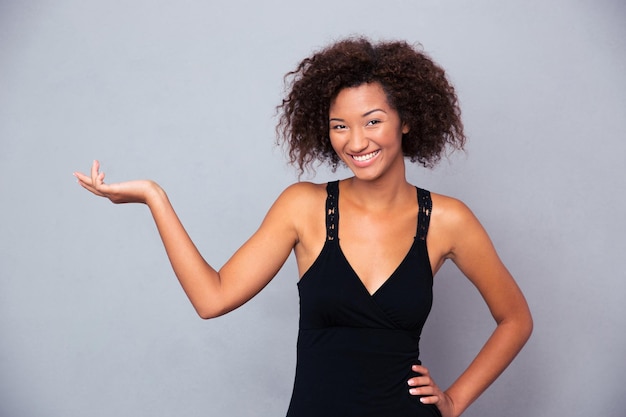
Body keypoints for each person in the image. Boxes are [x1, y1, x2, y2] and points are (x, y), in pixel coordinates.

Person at [74, 37, 532, 417]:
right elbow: (210, 298)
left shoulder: (448, 220)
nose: (356, 141)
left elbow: (515, 319)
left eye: (373, 121)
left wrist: (453, 401)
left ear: (406, 120)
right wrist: (155, 197)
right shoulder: (305, 207)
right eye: (340, 126)